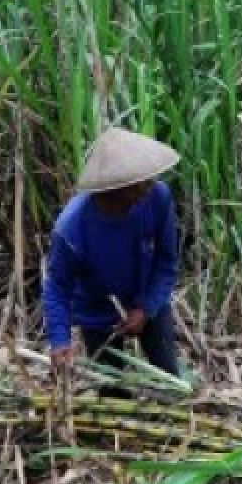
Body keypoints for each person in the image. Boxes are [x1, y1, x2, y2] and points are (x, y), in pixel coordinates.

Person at [42, 127, 183, 379]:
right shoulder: (71, 228)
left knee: (169, 378)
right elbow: (57, 286)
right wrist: (59, 340)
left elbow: (166, 261)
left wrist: (146, 307)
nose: (148, 187)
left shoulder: (157, 198)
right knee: (111, 387)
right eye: (138, 183)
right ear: (117, 187)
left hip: (146, 297)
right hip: (97, 311)